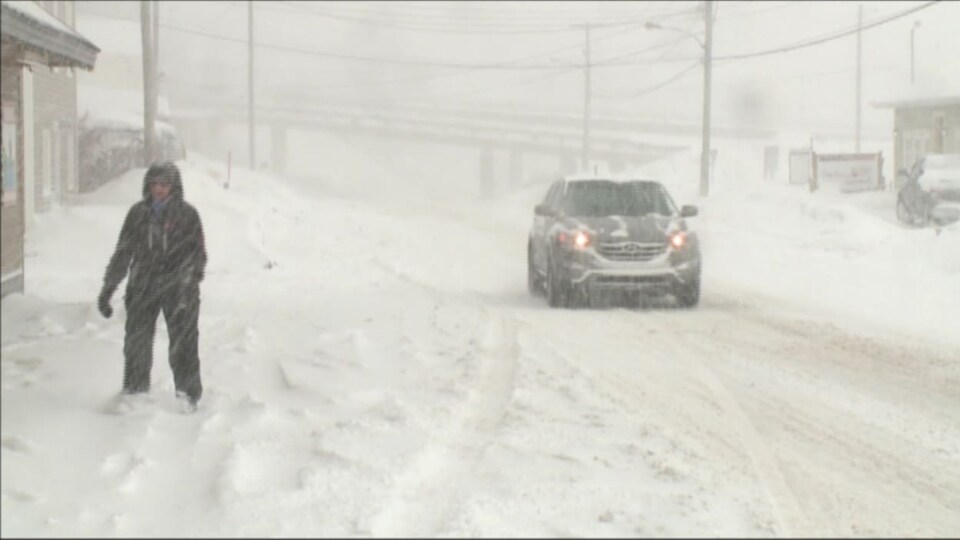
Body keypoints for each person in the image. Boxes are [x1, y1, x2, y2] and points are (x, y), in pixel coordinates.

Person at [97, 161, 207, 412]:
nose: (159, 189)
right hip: (143, 286)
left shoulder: (187, 215)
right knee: (136, 341)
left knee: (184, 343)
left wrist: (186, 282)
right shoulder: (138, 214)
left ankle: (188, 395)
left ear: (174, 186)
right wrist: (108, 288)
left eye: (165, 184)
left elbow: (198, 255)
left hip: (179, 289)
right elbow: (123, 253)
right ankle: (135, 392)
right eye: (155, 184)